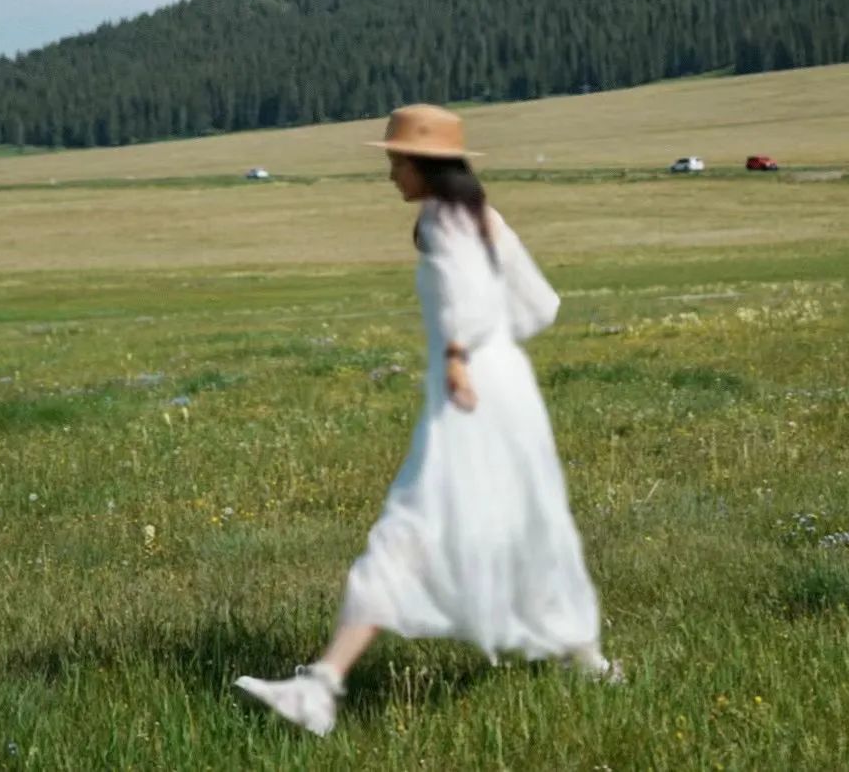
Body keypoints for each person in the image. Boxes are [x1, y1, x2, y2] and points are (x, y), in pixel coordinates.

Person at [235, 104, 619, 736]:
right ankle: (587, 659)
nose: (390, 175)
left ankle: (322, 687)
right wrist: (493, 350)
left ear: (424, 163)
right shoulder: (482, 216)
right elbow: (541, 306)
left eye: (396, 162)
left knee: (410, 527)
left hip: (467, 392)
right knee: (527, 520)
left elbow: (464, 298)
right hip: (508, 387)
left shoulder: (441, 220)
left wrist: (459, 355)